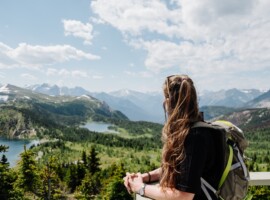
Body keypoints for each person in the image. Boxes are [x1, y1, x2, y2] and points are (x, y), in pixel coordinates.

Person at [123, 74, 225, 199]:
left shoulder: (194, 137)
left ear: (168, 101)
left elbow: (184, 196)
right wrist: (145, 177)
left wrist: (140, 188)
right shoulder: (195, 130)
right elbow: (182, 170)